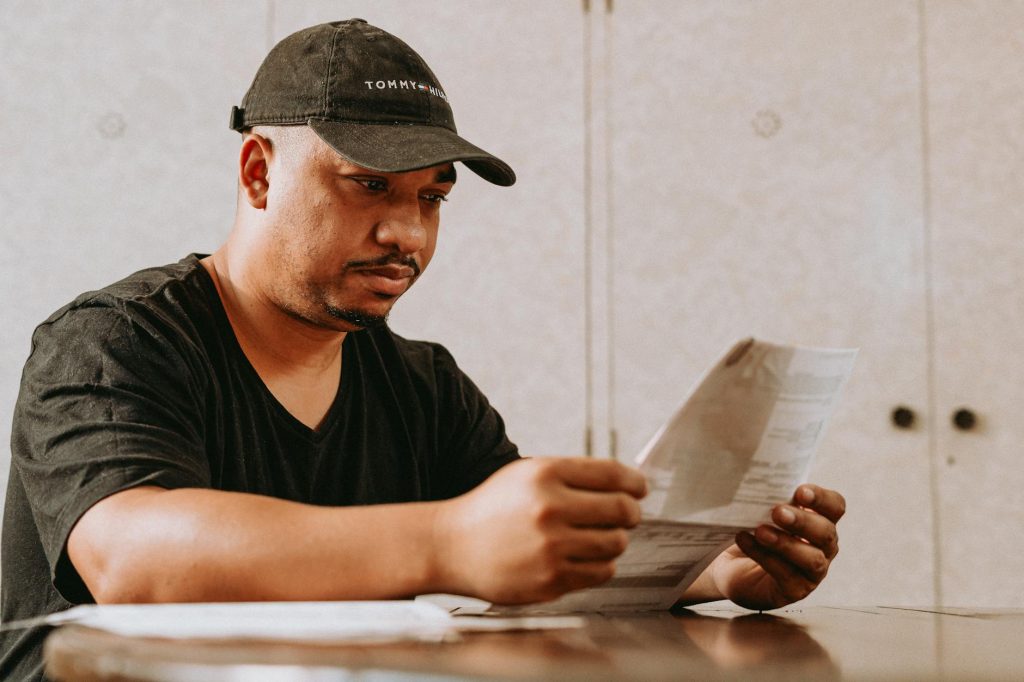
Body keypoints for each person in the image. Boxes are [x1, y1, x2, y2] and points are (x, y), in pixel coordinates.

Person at [0, 19, 845, 680]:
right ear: (259, 172)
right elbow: (133, 558)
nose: (406, 233)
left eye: (432, 198)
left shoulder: (424, 387)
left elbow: (538, 561)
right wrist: (448, 543)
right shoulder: (115, 340)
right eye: (369, 186)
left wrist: (715, 570)